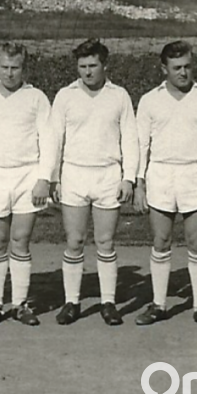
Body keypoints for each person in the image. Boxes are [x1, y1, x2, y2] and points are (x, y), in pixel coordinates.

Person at [134, 40, 197, 329]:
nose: (183, 73)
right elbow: (141, 145)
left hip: (195, 174)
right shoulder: (150, 100)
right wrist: (139, 184)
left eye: (187, 66)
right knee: (161, 242)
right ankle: (159, 304)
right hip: (161, 175)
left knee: (196, 242)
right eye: (176, 68)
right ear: (164, 69)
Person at [49, 39, 137, 326]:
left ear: (104, 65)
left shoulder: (119, 96)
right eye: (82, 66)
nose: (87, 72)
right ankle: (71, 302)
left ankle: (108, 302)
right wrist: (52, 177)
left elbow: (131, 140)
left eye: (93, 66)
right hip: (74, 174)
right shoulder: (65, 96)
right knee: (74, 241)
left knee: (105, 241)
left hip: (108, 175)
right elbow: (54, 140)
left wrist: (128, 178)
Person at [0, 42, 52, 326]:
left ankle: (20, 303)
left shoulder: (37, 98)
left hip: (27, 176)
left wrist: (44, 179)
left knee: (20, 241)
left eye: (15, 67)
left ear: (24, 68)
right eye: (4, 67)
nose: (9, 73)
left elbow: (48, 140)